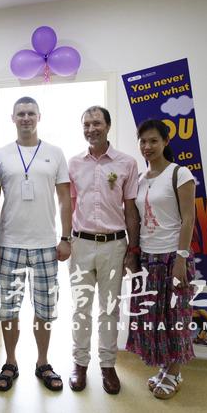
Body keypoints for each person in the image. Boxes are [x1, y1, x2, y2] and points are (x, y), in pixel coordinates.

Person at [0, 96, 71, 392]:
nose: (26, 118)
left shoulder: (55, 153)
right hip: (9, 243)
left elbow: (65, 199)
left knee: (45, 309)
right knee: (8, 308)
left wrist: (66, 238)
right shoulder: (0, 155)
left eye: (30, 113)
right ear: (12, 118)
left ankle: (43, 362)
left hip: (46, 244)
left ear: (39, 117)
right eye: (20, 113)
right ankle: (10, 362)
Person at [67, 106, 139, 395]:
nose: (91, 129)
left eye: (96, 123)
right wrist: (65, 239)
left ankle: (108, 365)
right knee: (81, 308)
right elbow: (69, 206)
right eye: (86, 124)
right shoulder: (74, 163)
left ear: (108, 126)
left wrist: (133, 248)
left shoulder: (127, 163)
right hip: (81, 244)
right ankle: (79, 364)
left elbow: (131, 210)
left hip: (114, 245)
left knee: (109, 308)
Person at [126, 119, 196, 400]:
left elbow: (189, 219)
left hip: (172, 256)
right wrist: (134, 254)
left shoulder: (180, 173)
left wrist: (181, 259)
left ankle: (175, 372)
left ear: (166, 142)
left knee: (175, 316)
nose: (148, 146)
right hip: (148, 258)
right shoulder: (140, 179)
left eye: (154, 140)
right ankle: (165, 367)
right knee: (154, 318)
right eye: (143, 141)